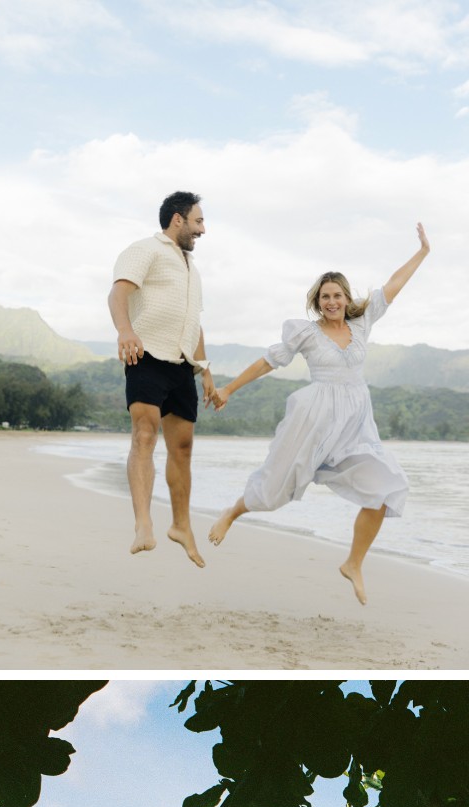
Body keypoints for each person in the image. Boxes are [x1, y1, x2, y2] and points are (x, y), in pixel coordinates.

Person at [205, 225, 428, 605]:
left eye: (337, 295)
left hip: (354, 428)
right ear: (316, 300)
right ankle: (233, 511)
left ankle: (354, 563)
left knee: (386, 487)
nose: (331, 301)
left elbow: (394, 283)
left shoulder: (362, 323)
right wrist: (228, 388)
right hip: (313, 422)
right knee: (275, 490)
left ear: (346, 297)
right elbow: (267, 362)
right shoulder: (305, 333)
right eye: (325, 296)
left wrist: (423, 251)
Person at [109, 190, 216, 566]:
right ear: (177, 219)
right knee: (145, 432)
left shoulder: (191, 268)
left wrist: (205, 370)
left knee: (183, 447)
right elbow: (118, 292)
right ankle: (143, 524)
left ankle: (181, 525)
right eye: (198, 221)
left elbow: (195, 323)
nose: (203, 229)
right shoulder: (146, 250)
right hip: (146, 354)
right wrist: (125, 332)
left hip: (182, 364)